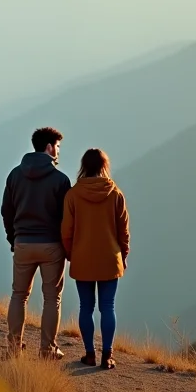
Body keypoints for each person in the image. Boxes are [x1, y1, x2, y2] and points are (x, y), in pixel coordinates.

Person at [1, 126, 72, 359]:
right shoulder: (61, 180)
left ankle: (14, 348)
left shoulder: (14, 175)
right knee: (52, 298)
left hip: (23, 242)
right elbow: (67, 218)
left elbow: (6, 211)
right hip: (52, 245)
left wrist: (14, 238)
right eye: (58, 147)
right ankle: (48, 349)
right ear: (49, 147)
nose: (58, 152)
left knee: (18, 295)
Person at [61, 148, 130, 370]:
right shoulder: (115, 193)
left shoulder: (72, 194)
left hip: (82, 258)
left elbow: (66, 231)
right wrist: (123, 255)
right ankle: (107, 356)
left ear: (84, 166)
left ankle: (89, 354)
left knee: (86, 307)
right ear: (104, 166)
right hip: (110, 258)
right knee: (108, 307)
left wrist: (71, 253)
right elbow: (123, 231)